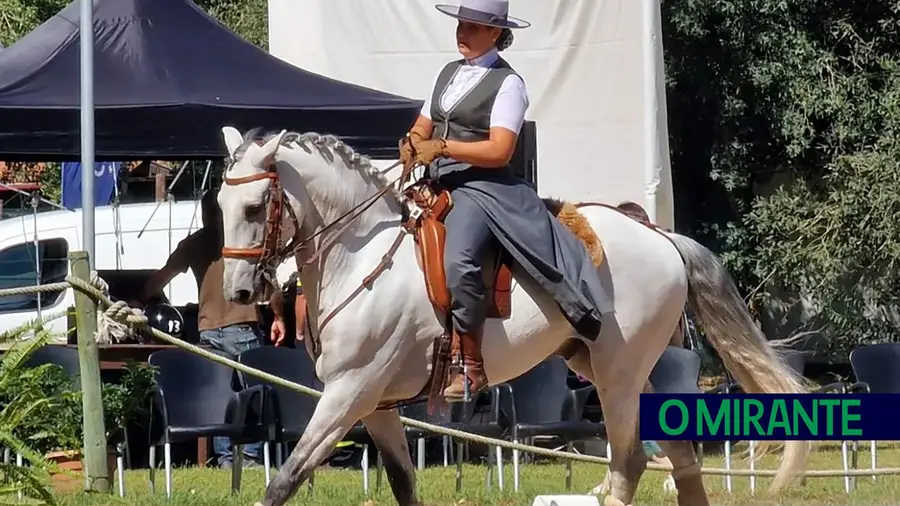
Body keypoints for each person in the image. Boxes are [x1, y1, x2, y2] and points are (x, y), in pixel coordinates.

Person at [398, 0, 614, 401]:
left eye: (474, 27)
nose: (463, 32)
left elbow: (499, 150)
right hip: (436, 183)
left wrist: (443, 147)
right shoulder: (447, 73)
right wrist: (412, 142)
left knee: (460, 261)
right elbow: (423, 123)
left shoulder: (508, 84)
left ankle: (471, 365)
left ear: (496, 33)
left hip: (482, 188)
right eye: (462, 24)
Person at [141, 189, 286, 469]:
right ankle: (251, 457)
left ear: (205, 213)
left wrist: (140, 299)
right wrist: (278, 317)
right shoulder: (244, 240)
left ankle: (225, 458)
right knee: (250, 395)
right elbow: (271, 283)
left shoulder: (193, 244)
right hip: (244, 326)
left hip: (208, 331)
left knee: (220, 398)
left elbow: (157, 281)